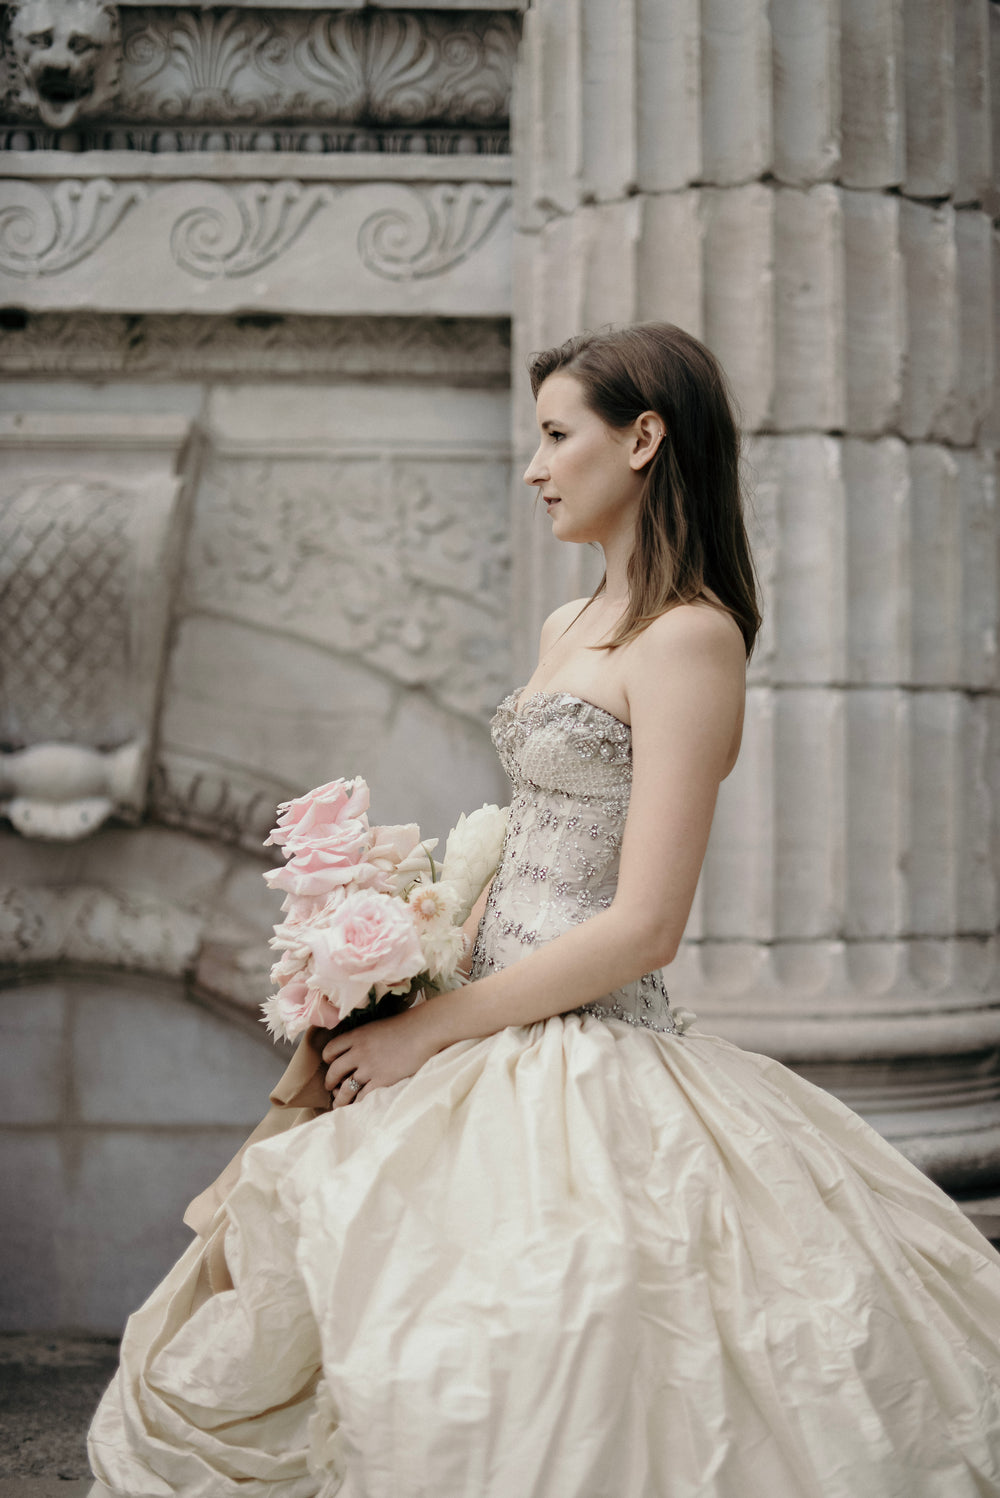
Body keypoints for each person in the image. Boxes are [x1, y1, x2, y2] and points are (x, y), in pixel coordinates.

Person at [89, 323, 1000, 1498]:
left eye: (556, 435)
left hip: (590, 1046)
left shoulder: (692, 638)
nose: (535, 466)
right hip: (483, 1021)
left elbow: (643, 925)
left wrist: (428, 1029)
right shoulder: (562, 628)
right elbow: (522, 842)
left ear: (643, 438)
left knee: (567, 1345)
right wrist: (403, 953)